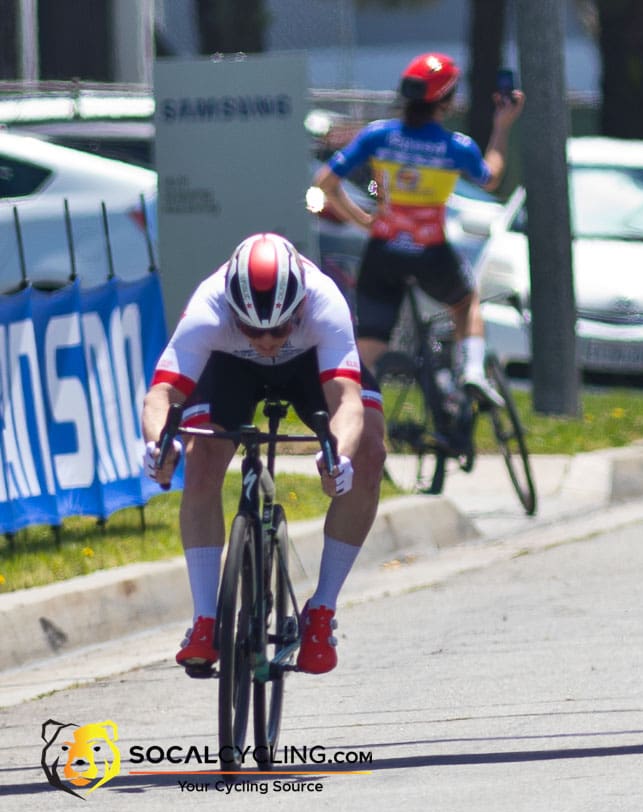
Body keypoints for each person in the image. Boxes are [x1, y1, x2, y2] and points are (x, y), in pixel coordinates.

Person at [141, 232, 386, 676]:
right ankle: (204, 619)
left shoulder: (324, 302)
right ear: (232, 311)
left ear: (299, 310)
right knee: (201, 458)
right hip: (231, 368)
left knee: (369, 449)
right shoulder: (208, 309)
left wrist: (341, 457)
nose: (269, 340)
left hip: (310, 365)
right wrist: (160, 445)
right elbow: (161, 394)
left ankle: (322, 611)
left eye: (280, 328)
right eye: (253, 329)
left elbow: (346, 400)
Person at [310, 52, 524, 407]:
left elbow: (325, 182)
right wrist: (502, 126)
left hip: (383, 252)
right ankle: (471, 373)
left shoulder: (378, 135)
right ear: (447, 100)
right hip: (430, 253)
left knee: (371, 345)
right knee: (465, 302)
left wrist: (361, 219)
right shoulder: (455, 146)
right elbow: (491, 177)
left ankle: (346, 412)